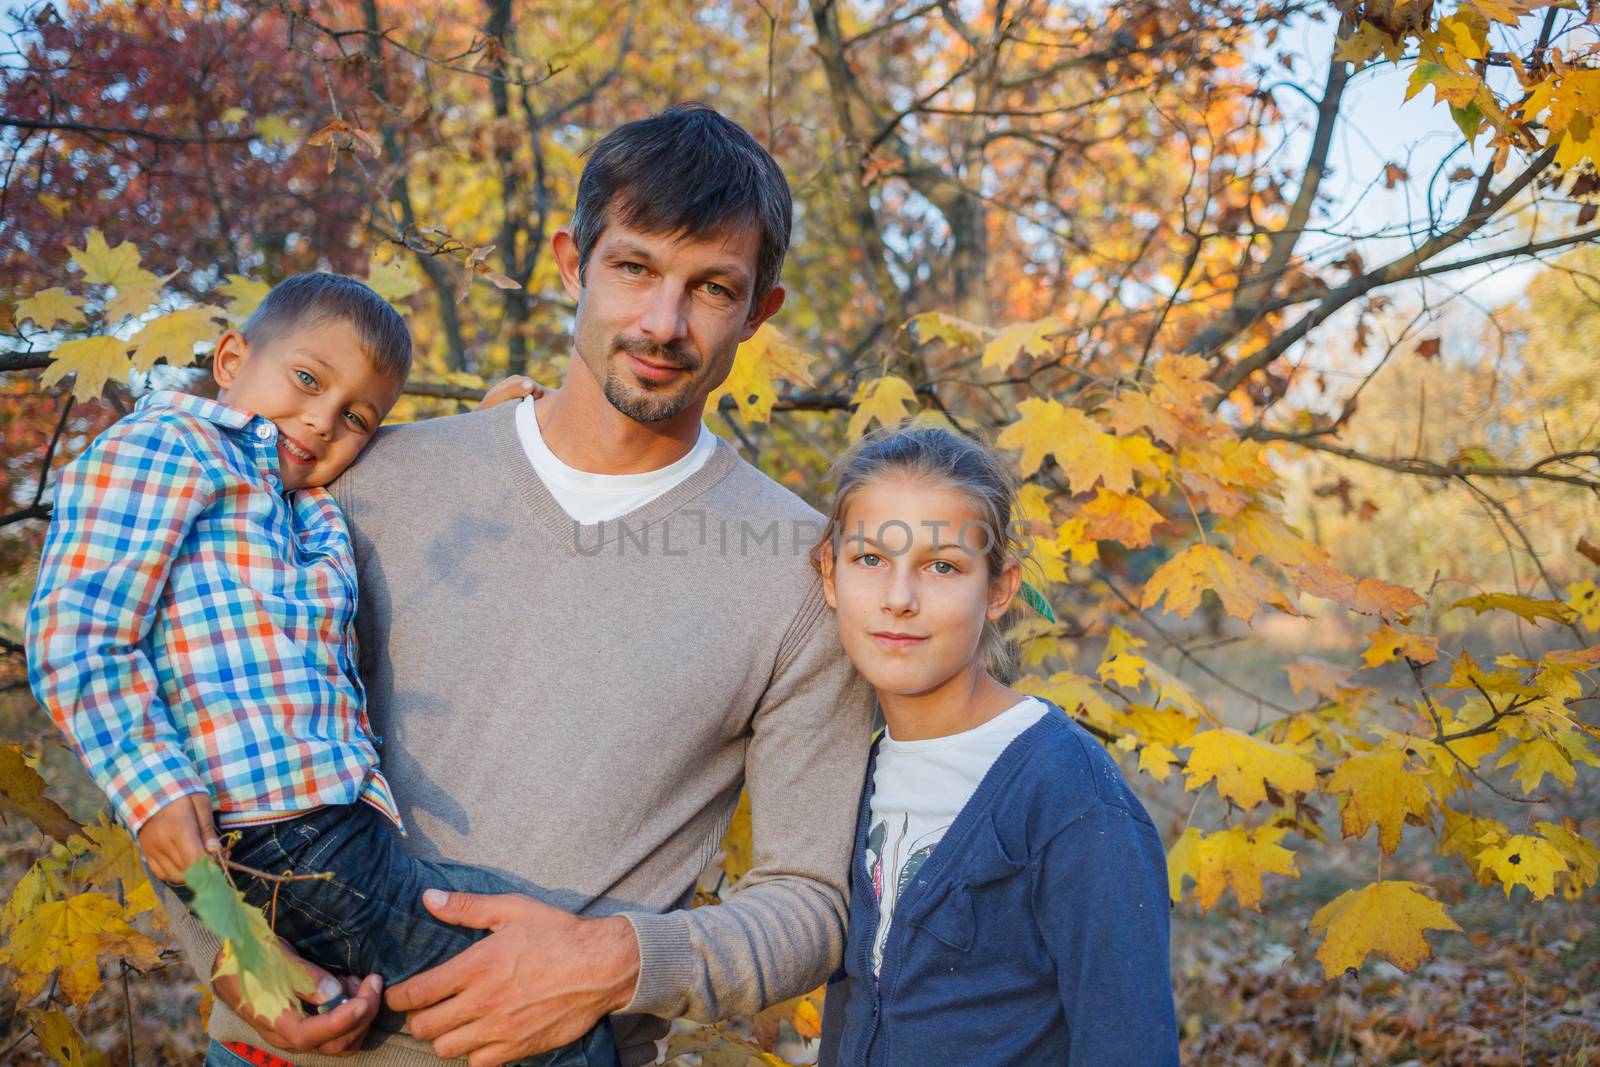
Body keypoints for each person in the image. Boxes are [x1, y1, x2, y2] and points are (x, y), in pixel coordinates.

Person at [155, 103, 874, 1067]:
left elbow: (810, 900)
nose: (663, 322)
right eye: (635, 268)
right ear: (572, 262)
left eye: (711, 288)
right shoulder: (364, 480)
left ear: (759, 311)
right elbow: (181, 737)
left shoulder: (802, 574)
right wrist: (231, 955)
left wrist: (619, 961)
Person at [24, 274, 612, 1065]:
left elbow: (415, 509)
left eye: (356, 417)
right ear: (231, 357)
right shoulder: (168, 446)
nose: (319, 420)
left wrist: (485, 434)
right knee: (555, 1019)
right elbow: (76, 633)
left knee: (415, 983)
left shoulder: (310, 504)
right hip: (285, 830)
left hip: (300, 841)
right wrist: (152, 788)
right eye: (306, 379)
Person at [811, 426, 1181, 1066]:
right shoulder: (857, 773)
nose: (899, 599)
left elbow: (1128, 1043)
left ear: (1001, 588)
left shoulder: (1068, 798)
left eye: (943, 566)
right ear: (829, 573)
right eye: (870, 559)